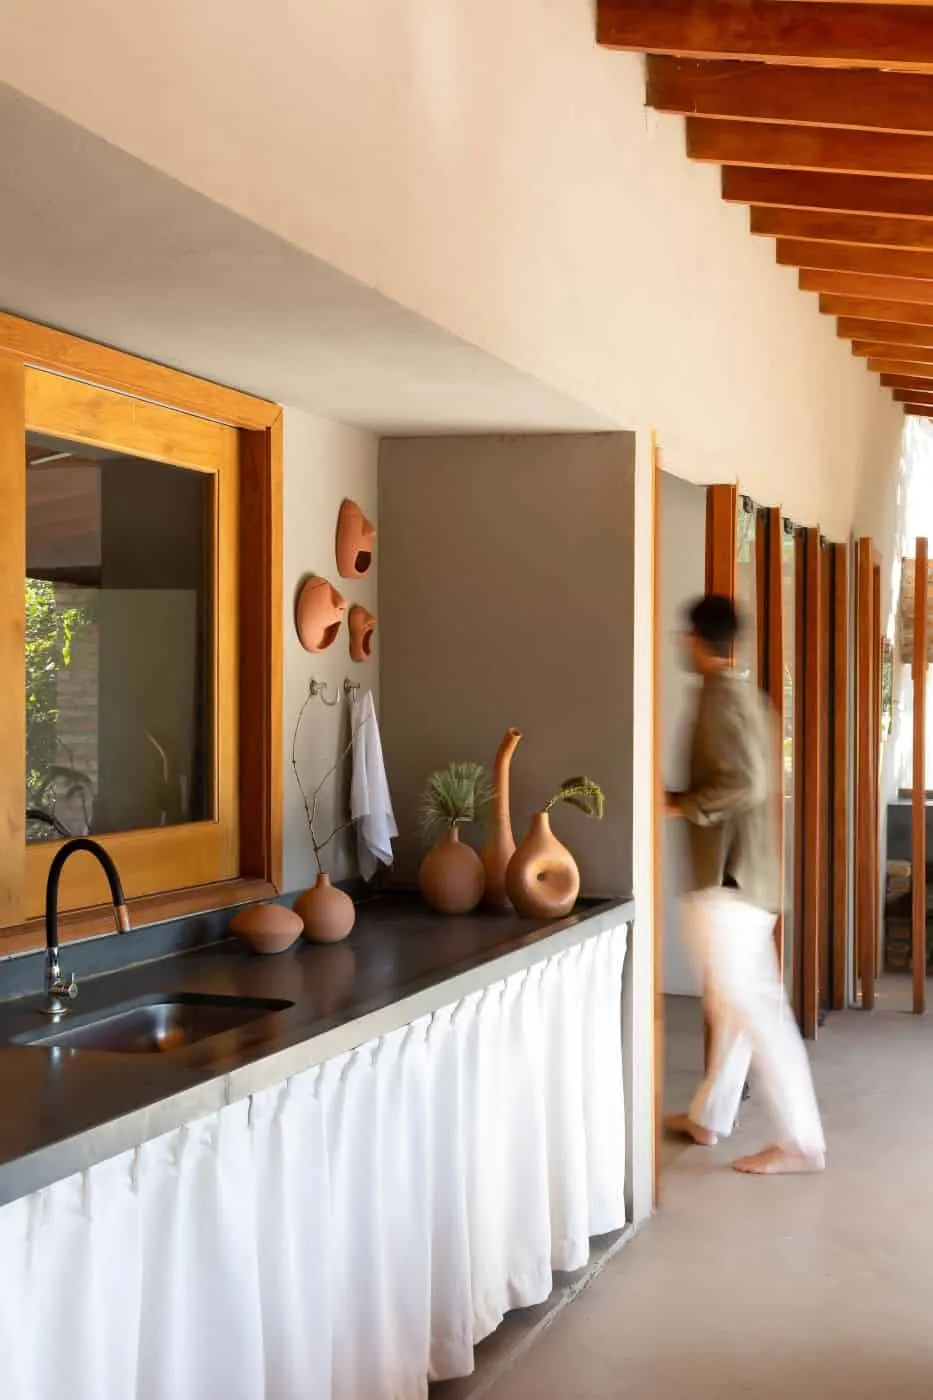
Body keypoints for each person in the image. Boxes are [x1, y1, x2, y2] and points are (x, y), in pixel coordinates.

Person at [665, 594, 826, 1175]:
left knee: (751, 1007)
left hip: (732, 880)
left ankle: (801, 1142)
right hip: (743, 880)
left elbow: (750, 782)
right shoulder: (735, 696)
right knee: (732, 1004)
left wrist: (683, 805)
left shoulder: (726, 701)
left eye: (683, 635)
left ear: (695, 640)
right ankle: (710, 1117)